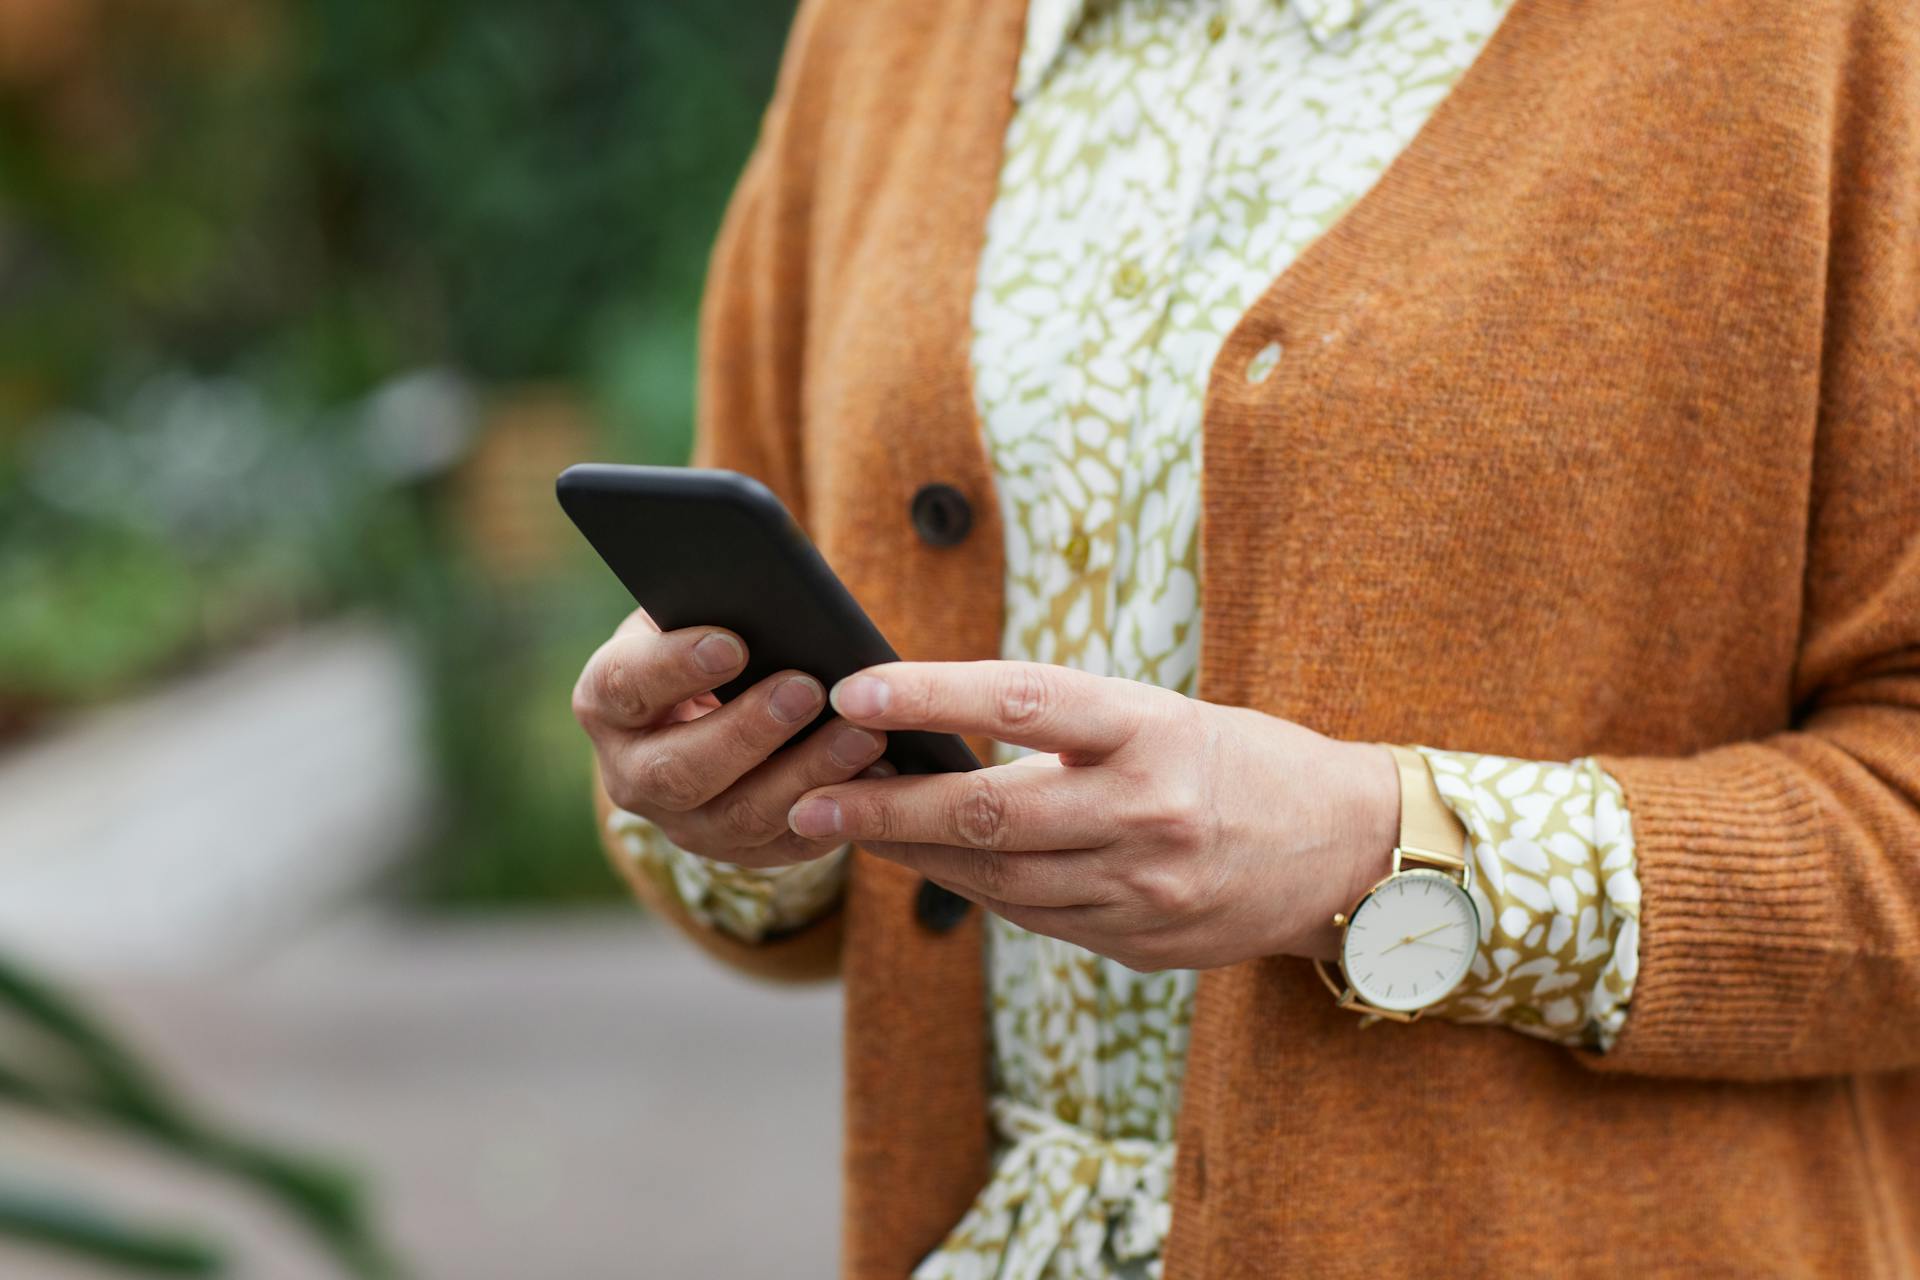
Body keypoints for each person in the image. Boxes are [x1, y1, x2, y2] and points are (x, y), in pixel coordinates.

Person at [571, 0, 1920, 1275]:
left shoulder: (1827, 44)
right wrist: (726, 792)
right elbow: (744, 620)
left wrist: (1380, 848)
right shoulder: (888, 33)